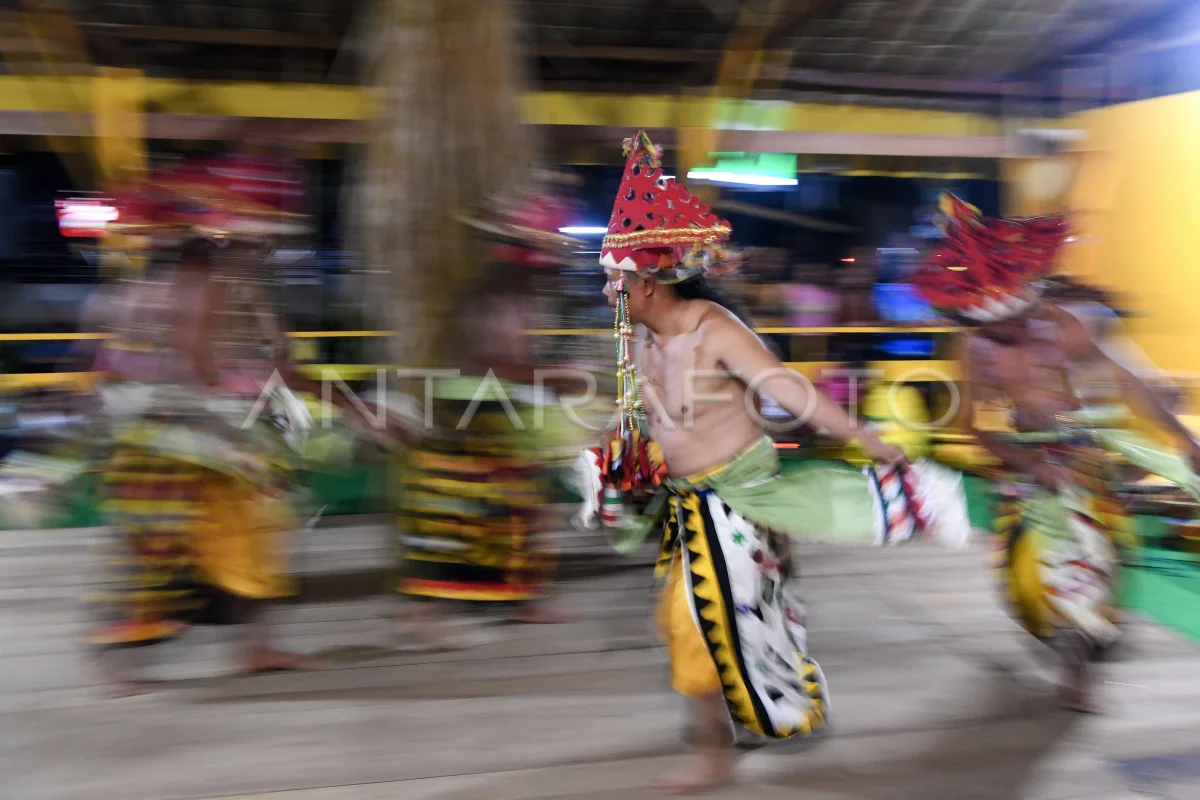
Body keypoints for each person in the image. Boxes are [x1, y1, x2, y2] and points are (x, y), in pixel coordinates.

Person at [586, 132, 969, 794]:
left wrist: (868, 438)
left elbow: (789, 390)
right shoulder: (637, 337)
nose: (605, 287)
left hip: (740, 503)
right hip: (688, 509)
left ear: (645, 282)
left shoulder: (712, 328)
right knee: (729, 624)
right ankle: (763, 711)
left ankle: (712, 749)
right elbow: (641, 420)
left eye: (613, 277)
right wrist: (609, 464)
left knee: (697, 622)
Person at [84, 158, 381, 696]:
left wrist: (318, 403)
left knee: (252, 526)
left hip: (173, 432)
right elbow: (204, 367)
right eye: (259, 234)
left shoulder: (195, 284)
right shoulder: (202, 283)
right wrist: (249, 416)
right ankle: (122, 656)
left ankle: (251, 646)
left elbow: (267, 365)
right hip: (176, 437)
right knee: (176, 543)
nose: (267, 246)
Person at [910, 193, 1200, 713]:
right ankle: (1068, 638)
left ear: (1029, 304)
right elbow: (973, 427)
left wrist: (1185, 439)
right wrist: (1026, 462)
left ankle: (1080, 665)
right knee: (1026, 580)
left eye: (1012, 326)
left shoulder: (1072, 325)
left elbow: (1133, 383)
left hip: (1083, 456)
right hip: (1023, 463)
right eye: (993, 332)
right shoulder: (976, 348)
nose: (1005, 338)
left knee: (1089, 558)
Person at [390, 199, 578, 650]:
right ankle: (425, 615)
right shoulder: (495, 296)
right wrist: (555, 377)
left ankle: (522, 598)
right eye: (544, 253)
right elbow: (491, 364)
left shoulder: (512, 294)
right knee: (467, 519)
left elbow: (509, 363)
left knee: (525, 508)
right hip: (474, 416)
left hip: (490, 411)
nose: (550, 266)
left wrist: (549, 377)